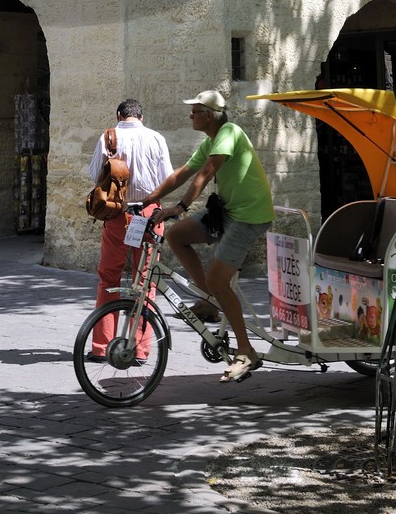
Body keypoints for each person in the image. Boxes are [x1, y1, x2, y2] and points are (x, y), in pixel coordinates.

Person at [143, 89, 274, 384]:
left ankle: (245, 350)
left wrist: (180, 206)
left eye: (195, 111)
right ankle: (210, 301)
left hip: (248, 216)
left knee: (218, 278)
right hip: (227, 210)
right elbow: (182, 174)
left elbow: (205, 174)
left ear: (210, 115)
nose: (190, 115)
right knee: (177, 236)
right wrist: (147, 200)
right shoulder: (211, 140)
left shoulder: (229, 131)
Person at [86, 99, 172, 360]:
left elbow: (94, 175)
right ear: (141, 117)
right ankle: (140, 349)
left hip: (118, 214)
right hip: (149, 213)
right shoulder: (156, 138)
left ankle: (102, 347)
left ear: (119, 115)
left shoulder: (108, 138)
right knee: (145, 281)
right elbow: (167, 178)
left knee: (109, 278)